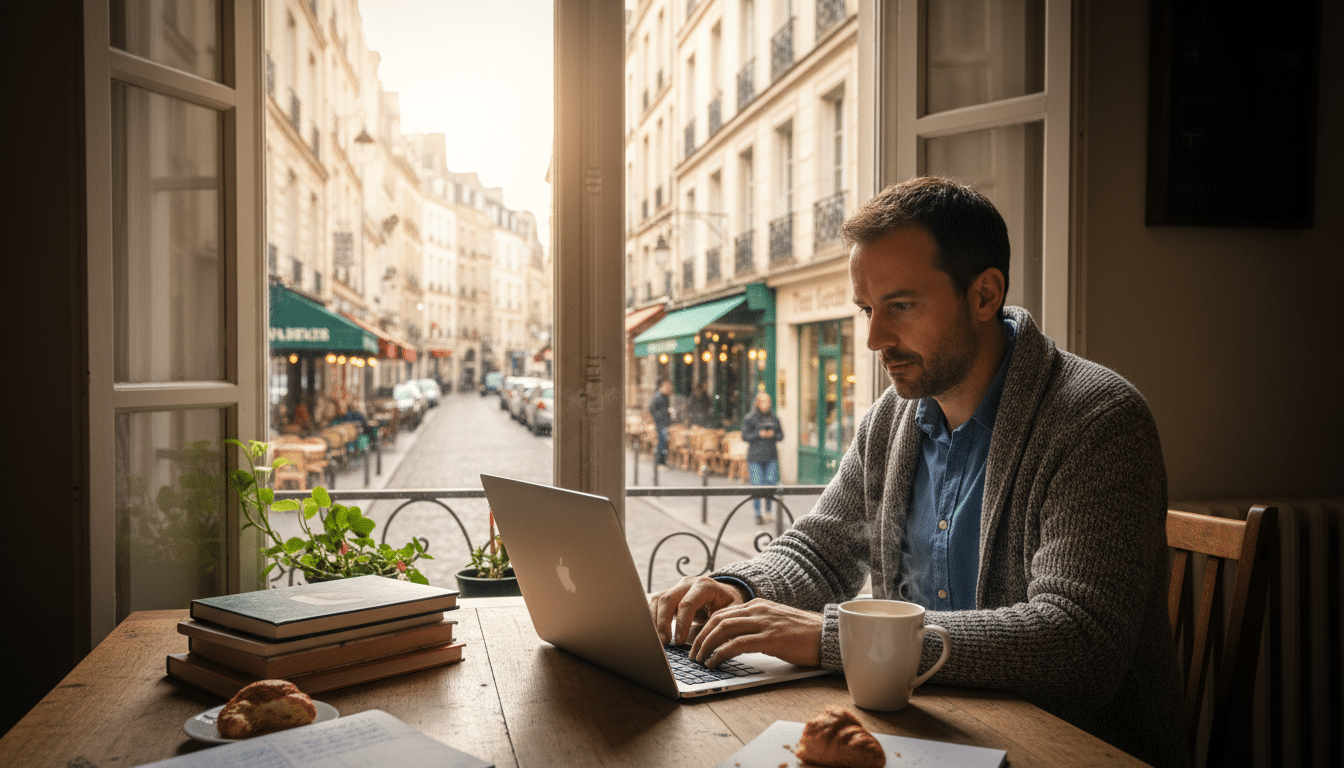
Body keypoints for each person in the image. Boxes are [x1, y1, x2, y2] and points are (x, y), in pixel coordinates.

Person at [648, 177, 1186, 768]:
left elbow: (1076, 642)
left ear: (984, 295)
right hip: (928, 736)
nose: (876, 338)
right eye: (867, 310)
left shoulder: (1096, 419)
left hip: (1065, 749)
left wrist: (835, 639)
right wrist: (740, 589)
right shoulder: (895, 416)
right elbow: (823, 550)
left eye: (900, 306)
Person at [742, 392, 784, 523]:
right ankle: (758, 514)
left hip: (771, 455)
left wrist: (773, 434)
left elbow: (781, 436)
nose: (766, 405)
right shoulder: (750, 418)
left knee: (771, 483)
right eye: (763, 402)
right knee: (757, 485)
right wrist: (758, 434)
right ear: (758, 403)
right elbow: (745, 436)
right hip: (755, 457)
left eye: (768, 402)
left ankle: (769, 511)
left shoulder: (774, 418)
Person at [649, 379, 673, 466]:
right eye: (667, 387)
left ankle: (661, 460)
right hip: (661, 422)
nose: (669, 389)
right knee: (662, 441)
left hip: (664, 422)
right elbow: (652, 408)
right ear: (663, 387)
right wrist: (661, 416)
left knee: (663, 441)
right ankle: (660, 461)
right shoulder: (658, 396)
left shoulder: (665, 396)